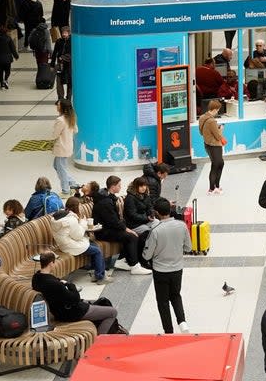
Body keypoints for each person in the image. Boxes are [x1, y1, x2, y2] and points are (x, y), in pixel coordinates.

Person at [142, 198, 193, 334]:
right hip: (177, 268)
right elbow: (188, 247)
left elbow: (147, 255)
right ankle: (182, 322)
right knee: (176, 295)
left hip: (160, 271)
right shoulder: (181, 225)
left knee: (163, 301)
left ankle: (168, 331)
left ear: (157, 213)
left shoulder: (155, 230)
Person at [91, 175, 151, 274]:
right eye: (119, 185)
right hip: (103, 231)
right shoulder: (105, 202)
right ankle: (135, 266)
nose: (120, 187)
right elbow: (112, 221)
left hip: (109, 228)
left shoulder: (108, 197)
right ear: (113, 186)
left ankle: (122, 260)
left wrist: (124, 228)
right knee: (132, 237)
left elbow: (114, 220)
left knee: (130, 236)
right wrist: (126, 228)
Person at [50, 198, 108, 283]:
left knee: (94, 244)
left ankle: (94, 268)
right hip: (70, 246)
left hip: (64, 244)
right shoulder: (71, 219)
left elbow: (72, 234)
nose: (81, 208)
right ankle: (100, 277)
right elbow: (78, 236)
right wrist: (83, 222)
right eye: (80, 206)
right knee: (97, 251)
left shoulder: (61, 215)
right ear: (76, 207)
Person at [49, 98, 78, 195]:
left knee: (61, 169)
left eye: (58, 105)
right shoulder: (71, 117)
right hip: (68, 146)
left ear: (62, 107)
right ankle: (73, 183)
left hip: (61, 147)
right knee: (57, 166)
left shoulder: (60, 120)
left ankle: (66, 190)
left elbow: (54, 135)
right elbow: (76, 130)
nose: (57, 106)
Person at [198, 100, 226, 194]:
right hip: (215, 146)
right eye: (217, 110)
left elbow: (201, 132)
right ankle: (213, 188)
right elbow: (218, 136)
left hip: (207, 145)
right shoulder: (212, 121)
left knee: (219, 163)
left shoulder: (202, 117)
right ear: (214, 109)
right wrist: (220, 129)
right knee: (216, 165)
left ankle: (215, 186)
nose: (217, 111)